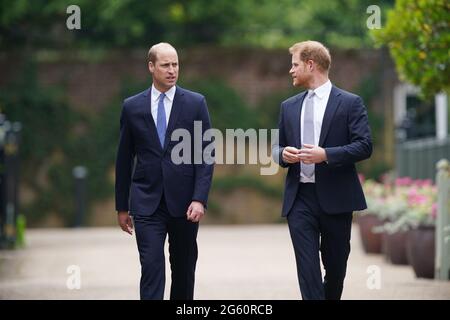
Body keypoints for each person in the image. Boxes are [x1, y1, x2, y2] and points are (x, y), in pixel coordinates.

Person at [272, 40, 372, 300]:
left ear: (310, 64)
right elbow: (276, 148)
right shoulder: (288, 106)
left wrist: (326, 155)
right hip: (300, 199)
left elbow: (364, 146)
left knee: (336, 266)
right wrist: (282, 154)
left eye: (295, 65)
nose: (291, 70)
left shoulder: (350, 103)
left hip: (337, 198)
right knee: (307, 269)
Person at [115, 43, 214, 300]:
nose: (172, 70)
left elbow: (205, 155)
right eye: (165, 65)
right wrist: (121, 206)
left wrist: (199, 198)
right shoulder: (132, 107)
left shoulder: (195, 103)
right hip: (146, 202)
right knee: (151, 267)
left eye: (175, 64)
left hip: (185, 204)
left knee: (183, 270)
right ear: (151, 67)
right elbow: (124, 159)